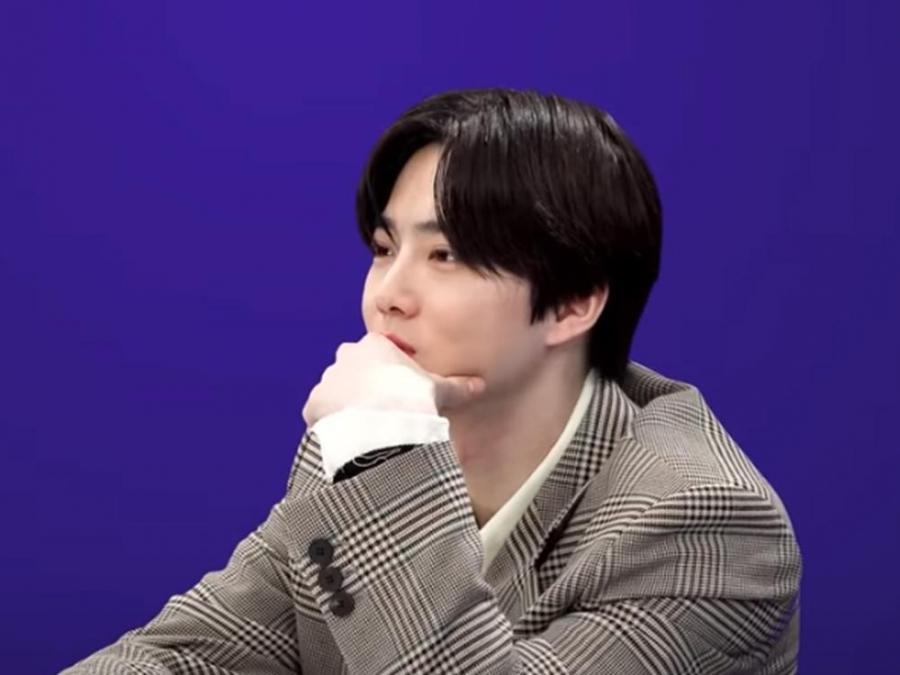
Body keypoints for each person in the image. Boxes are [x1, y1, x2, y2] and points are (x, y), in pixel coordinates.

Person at [63, 88, 801, 674]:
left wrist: (380, 449)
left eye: (446, 255)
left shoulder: (708, 523)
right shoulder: (364, 447)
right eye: (385, 249)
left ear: (574, 302)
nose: (386, 295)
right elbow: (184, 656)